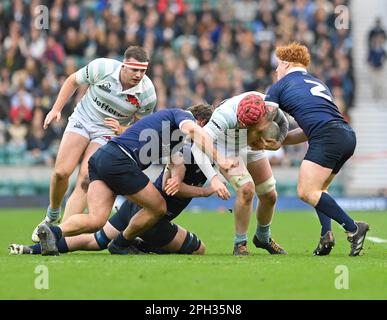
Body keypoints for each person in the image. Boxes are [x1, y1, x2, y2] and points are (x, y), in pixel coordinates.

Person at [36, 105, 235, 255]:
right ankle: (123, 243)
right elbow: (194, 132)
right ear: (202, 122)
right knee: (158, 207)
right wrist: (220, 163)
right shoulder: (183, 117)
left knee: (96, 220)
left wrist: (174, 176)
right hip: (120, 160)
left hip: (101, 158)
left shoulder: (173, 140)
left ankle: (52, 232)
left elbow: (170, 158)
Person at [31, 46, 157, 243]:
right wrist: (56, 109)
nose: (139, 75)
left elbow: (141, 127)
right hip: (83, 119)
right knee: (61, 172)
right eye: (134, 69)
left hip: (107, 133)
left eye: (143, 70)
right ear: (123, 66)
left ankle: (59, 234)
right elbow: (72, 80)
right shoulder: (102, 67)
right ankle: (52, 214)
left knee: (85, 179)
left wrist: (122, 130)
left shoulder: (147, 94)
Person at [9, 143, 213, 256]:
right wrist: (206, 191)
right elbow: (174, 186)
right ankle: (135, 242)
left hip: (136, 206)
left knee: (95, 240)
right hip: (151, 219)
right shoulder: (184, 153)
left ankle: (29, 250)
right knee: (199, 249)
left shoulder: (202, 156)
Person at [264, 42, 369, 256]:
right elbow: (306, 131)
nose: (275, 70)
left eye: (277, 65)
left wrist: (256, 139)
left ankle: (353, 228)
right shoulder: (317, 82)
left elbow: (265, 120)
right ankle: (326, 235)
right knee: (319, 190)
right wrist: (280, 142)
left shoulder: (279, 87)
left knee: (305, 191)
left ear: (285, 64)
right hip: (345, 135)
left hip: (327, 137)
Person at [191, 92, 289, 256]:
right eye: (241, 124)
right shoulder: (225, 115)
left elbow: (284, 123)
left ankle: (263, 238)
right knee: (246, 189)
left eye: (248, 126)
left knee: (269, 194)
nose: (243, 127)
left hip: (250, 146)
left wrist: (277, 144)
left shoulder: (271, 107)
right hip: (226, 148)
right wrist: (214, 178)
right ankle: (240, 244)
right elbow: (197, 146)